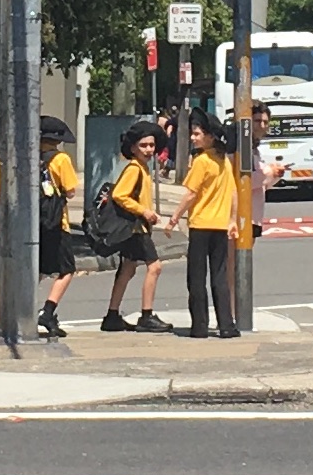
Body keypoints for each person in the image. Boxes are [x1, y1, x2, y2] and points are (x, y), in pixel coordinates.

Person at [165, 112, 238, 338]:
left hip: (200, 225)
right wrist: (232, 220)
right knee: (219, 275)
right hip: (220, 226)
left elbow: (190, 195)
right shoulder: (223, 160)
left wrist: (174, 218)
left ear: (209, 137)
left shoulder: (202, 161)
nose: (194, 138)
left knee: (196, 278)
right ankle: (226, 324)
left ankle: (200, 326)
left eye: (197, 134)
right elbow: (234, 192)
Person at [101, 122, 169, 333]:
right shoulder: (134, 169)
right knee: (155, 266)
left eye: (151, 145)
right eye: (143, 145)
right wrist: (144, 212)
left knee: (128, 268)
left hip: (137, 227)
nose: (149, 149)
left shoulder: (142, 168)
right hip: (136, 228)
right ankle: (146, 315)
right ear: (133, 148)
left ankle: (112, 315)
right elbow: (120, 195)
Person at [36, 116, 82, 338]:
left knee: (38, 268)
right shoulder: (61, 159)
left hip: (35, 221)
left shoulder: (32, 157)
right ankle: (48, 310)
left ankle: (19, 306)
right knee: (66, 269)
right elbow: (71, 190)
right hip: (57, 221)